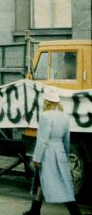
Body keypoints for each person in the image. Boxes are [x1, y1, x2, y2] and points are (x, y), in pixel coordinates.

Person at [24, 87, 82, 215]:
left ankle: (75, 212)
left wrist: (37, 158)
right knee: (58, 181)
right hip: (60, 151)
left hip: (48, 153)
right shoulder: (65, 117)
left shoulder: (45, 116)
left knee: (46, 179)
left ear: (46, 102)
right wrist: (65, 156)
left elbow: (43, 140)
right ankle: (35, 210)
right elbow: (67, 139)